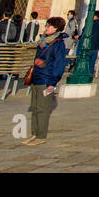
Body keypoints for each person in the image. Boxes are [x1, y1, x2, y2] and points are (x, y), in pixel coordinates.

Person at [23, 17, 69, 147]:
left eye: (49, 26)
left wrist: (52, 83)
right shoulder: (43, 41)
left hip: (47, 79)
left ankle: (41, 135)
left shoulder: (58, 44)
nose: (46, 28)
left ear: (56, 28)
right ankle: (34, 133)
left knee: (43, 109)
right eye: (47, 26)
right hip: (37, 77)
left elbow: (59, 65)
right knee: (35, 107)